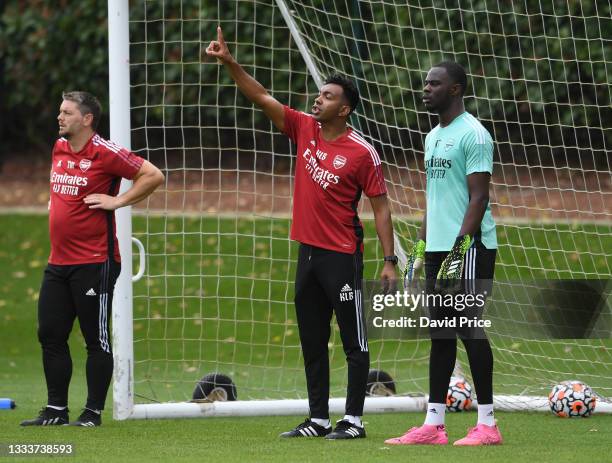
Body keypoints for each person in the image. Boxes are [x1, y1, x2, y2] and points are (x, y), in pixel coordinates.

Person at [206, 27, 397, 439]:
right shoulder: (304, 128)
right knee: (312, 342)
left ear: (344, 109)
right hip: (307, 255)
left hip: (342, 257)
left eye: (328, 96)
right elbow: (260, 96)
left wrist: (389, 260)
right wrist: (229, 61)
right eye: (319, 94)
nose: (318, 99)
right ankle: (317, 419)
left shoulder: (362, 153)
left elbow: (381, 207)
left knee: (354, 343)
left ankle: (353, 421)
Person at [20, 91, 164, 427]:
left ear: (86, 119)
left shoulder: (105, 151)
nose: (60, 117)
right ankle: (56, 410)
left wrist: (118, 201)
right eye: (60, 111)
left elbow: (153, 175)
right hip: (59, 262)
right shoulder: (59, 147)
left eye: (67, 112)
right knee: (50, 333)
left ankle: (92, 412)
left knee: (94, 338)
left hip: (95, 262)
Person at [385, 62, 502, 446]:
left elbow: (478, 198)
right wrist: (419, 252)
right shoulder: (433, 136)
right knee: (440, 334)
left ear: (455, 90)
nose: (426, 89)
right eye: (425, 83)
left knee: (469, 328)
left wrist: (457, 251)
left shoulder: (475, 135)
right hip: (437, 249)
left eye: (435, 83)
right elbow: (434, 202)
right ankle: (433, 425)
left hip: (468, 248)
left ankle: (488, 425)